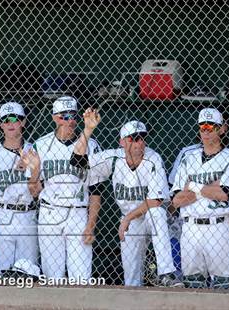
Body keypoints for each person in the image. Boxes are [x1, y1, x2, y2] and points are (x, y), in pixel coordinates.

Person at [71, 109, 181, 287]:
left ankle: (166, 273)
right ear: (122, 142)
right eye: (133, 138)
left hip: (147, 215)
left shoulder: (154, 159)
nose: (139, 142)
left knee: (157, 213)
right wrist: (88, 130)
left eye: (142, 137)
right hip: (130, 220)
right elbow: (77, 161)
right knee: (131, 278)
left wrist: (126, 219)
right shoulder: (113, 158)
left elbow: (156, 201)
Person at [21, 96, 100, 280]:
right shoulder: (40, 145)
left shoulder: (91, 145)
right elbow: (33, 192)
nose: (70, 120)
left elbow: (96, 190)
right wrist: (36, 171)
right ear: (55, 118)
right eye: (64, 116)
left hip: (79, 213)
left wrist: (91, 224)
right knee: (52, 277)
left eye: (73, 115)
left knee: (81, 279)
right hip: (50, 212)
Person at [172, 108, 229, 289]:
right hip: (190, 229)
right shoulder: (187, 158)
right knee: (193, 285)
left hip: (219, 227)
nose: (205, 131)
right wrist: (210, 188)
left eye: (210, 126)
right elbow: (176, 200)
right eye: (202, 127)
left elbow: (224, 194)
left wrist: (193, 186)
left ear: (222, 129)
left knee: (224, 287)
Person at [0, 102, 38, 274]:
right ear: (1, 124)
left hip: (28, 215)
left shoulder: (35, 150)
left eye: (15, 119)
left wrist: (35, 167)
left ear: (23, 122)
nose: (10, 124)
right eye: (6, 120)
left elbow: (39, 189)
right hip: (1, 216)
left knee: (27, 273)